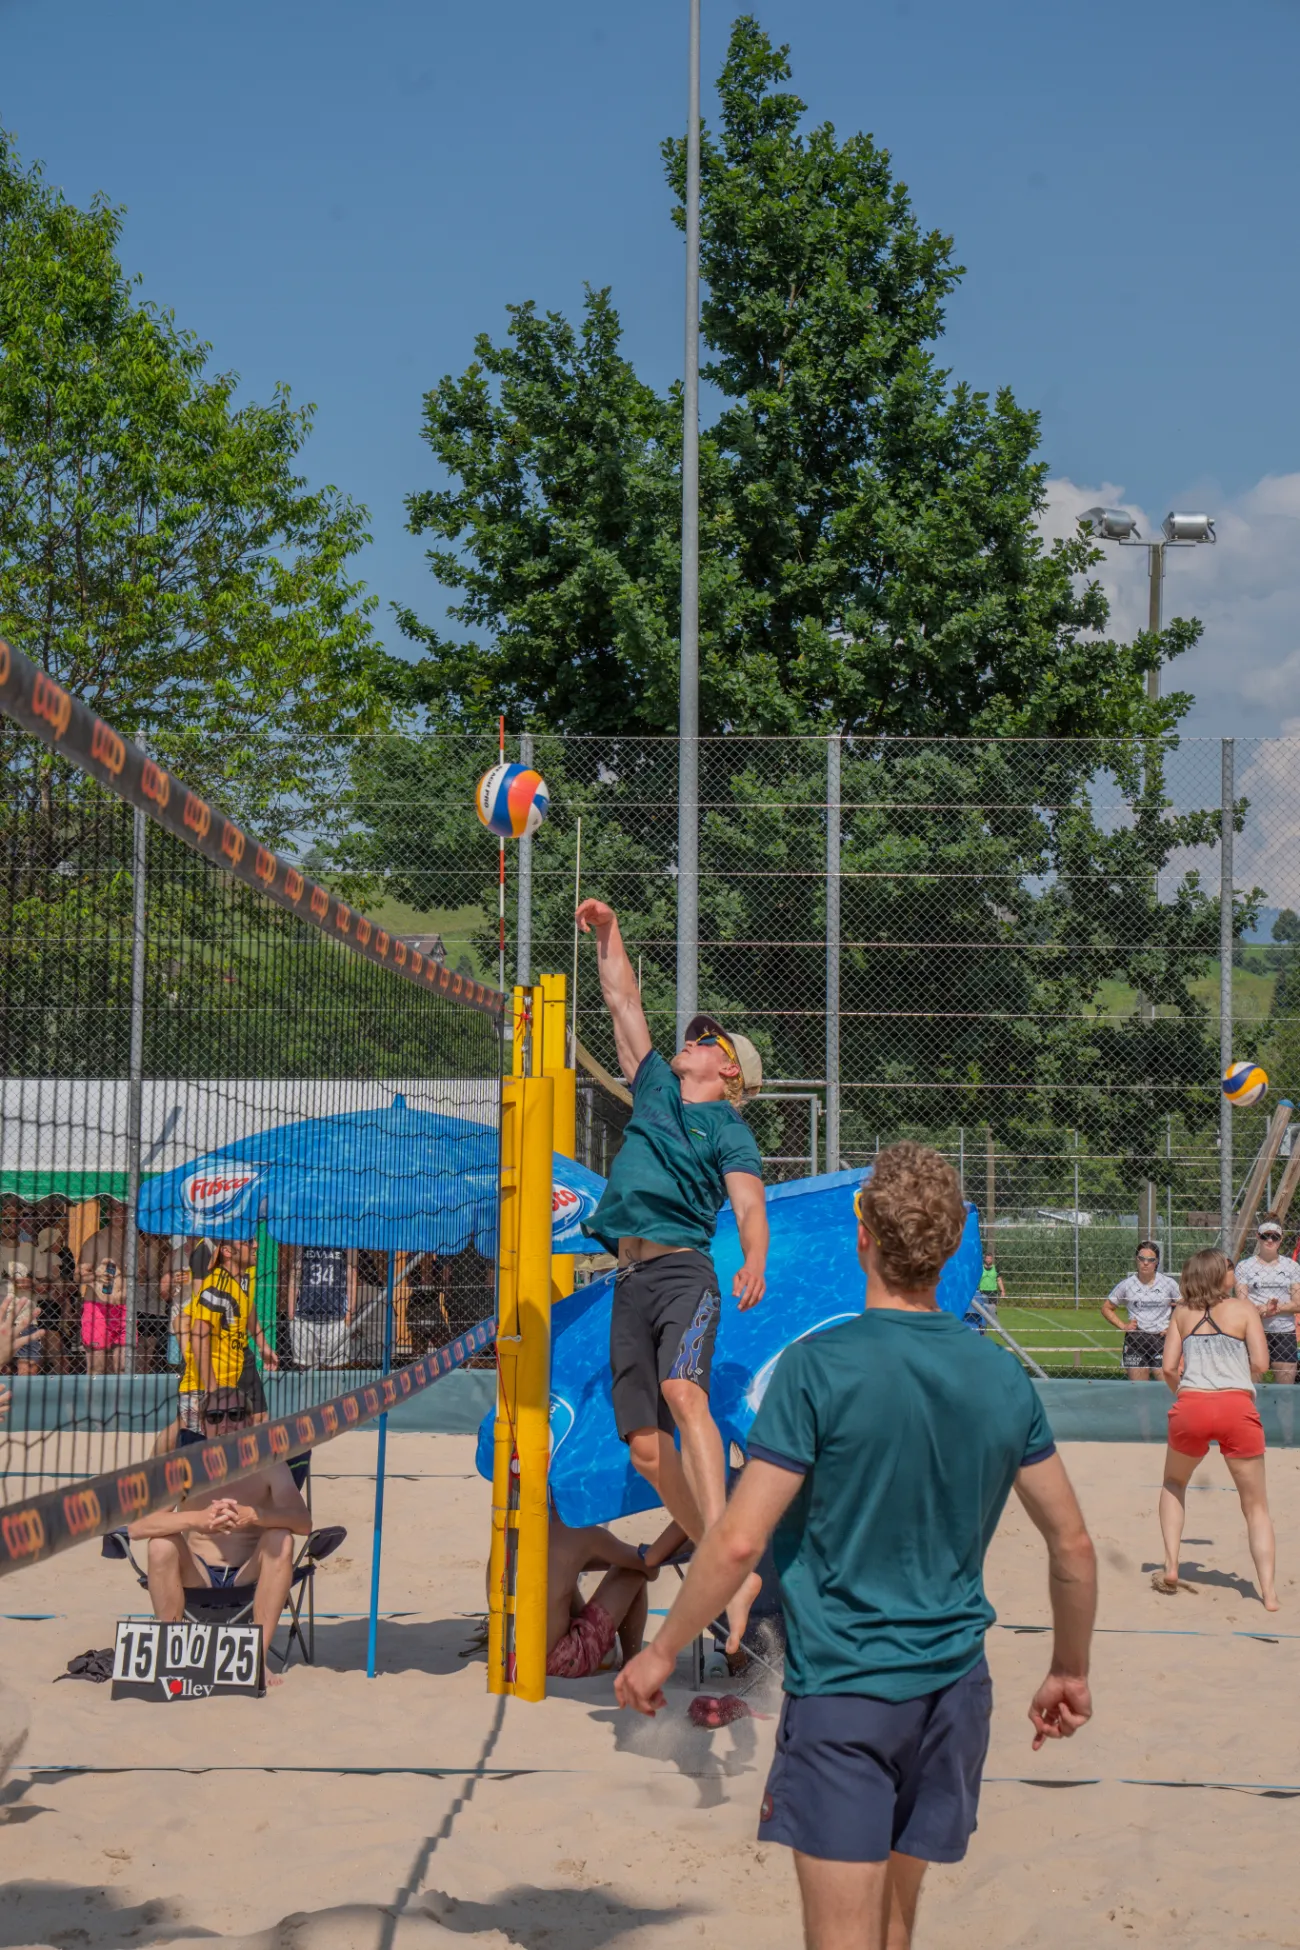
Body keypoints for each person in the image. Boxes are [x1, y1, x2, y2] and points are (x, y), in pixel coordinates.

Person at [616, 1141, 1097, 1950]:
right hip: (954, 1692)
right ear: (949, 1252)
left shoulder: (815, 1370)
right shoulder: (1001, 1378)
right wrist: (1069, 1669)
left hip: (847, 1692)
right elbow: (1073, 1546)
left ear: (863, 1238)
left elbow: (737, 1542)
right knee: (894, 1926)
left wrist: (661, 1651)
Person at [575, 897, 770, 1641]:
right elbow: (622, 997)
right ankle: (733, 1572)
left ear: (727, 1068)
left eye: (706, 1039)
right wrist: (607, 929)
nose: (689, 1040)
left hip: (686, 1272)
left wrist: (754, 1256)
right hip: (629, 1280)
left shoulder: (727, 1127)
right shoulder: (655, 1085)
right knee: (649, 1450)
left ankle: (724, 1548)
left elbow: (749, 1207)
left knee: (683, 1391)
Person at [129, 1386, 311, 1685]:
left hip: (249, 1574)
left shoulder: (270, 1465)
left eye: (235, 1415)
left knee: (282, 1538)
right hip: (196, 1572)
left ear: (250, 1422)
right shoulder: (185, 1468)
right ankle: (173, 1652)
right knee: (161, 1545)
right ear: (204, 1426)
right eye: (215, 1417)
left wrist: (255, 1516)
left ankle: (257, 1658)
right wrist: (196, 1520)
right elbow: (138, 1527)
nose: (225, 1424)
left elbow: (303, 1522)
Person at [1155, 1246, 1277, 1608]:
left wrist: (1186, 1395)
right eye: (1228, 1265)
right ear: (1216, 1273)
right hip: (1236, 1406)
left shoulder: (1182, 1313)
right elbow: (1261, 1363)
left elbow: (1167, 1368)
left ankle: (1172, 1565)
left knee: (1174, 1482)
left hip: (1191, 1404)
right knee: (1255, 1506)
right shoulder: (1243, 1311)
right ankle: (1268, 1593)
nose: (1232, 1269)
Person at [545, 1517, 685, 1680]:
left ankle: (602, 1647)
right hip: (561, 1662)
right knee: (633, 1569)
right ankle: (631, 1664)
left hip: (518, 1660)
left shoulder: (522, 1530)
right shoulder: (581, 1533)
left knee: (561, 1584)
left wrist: (585, 1558)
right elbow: (649, 1565)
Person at [1100, 1241, 1182, 1382]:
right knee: (1139, 1390)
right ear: (1136, 1260)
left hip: (1161, 1339)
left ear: (1157, 1262)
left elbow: (1186, 1306)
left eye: (1151, 1260)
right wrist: (1123, 1326)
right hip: (1136, 1340)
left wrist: (1173, 1328)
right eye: (1141, 1259)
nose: (1145, 1263)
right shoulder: (1127, 1284)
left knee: (1166, 1388)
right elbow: (1106, 1308)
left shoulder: (1168, 1283)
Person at [1234, 1214, 1300, 1384]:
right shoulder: (1244, 1266)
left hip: (1284, 1332)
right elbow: (1242, 1301)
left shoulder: (1291, 1266)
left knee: (1285, 1393)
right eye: (1265, 1236)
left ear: (1281, 1239)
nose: (1270, 1240)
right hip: (1254, 1330)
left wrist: (1275, 1309)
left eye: (1275, 1236)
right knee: (1251, 1388)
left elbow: (1298, 1302)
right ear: (1258, 1236)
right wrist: (1262, 1309)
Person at [287, 1243, 356, 1368]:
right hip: (305, 1314)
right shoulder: (305, 1237)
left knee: (336, 1369)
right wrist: (291, 1312)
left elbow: (352, 1273)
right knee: (305, 1368)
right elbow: (295, 1271)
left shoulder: (345, 1238)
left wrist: (350, 1312)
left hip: (336, 1316)